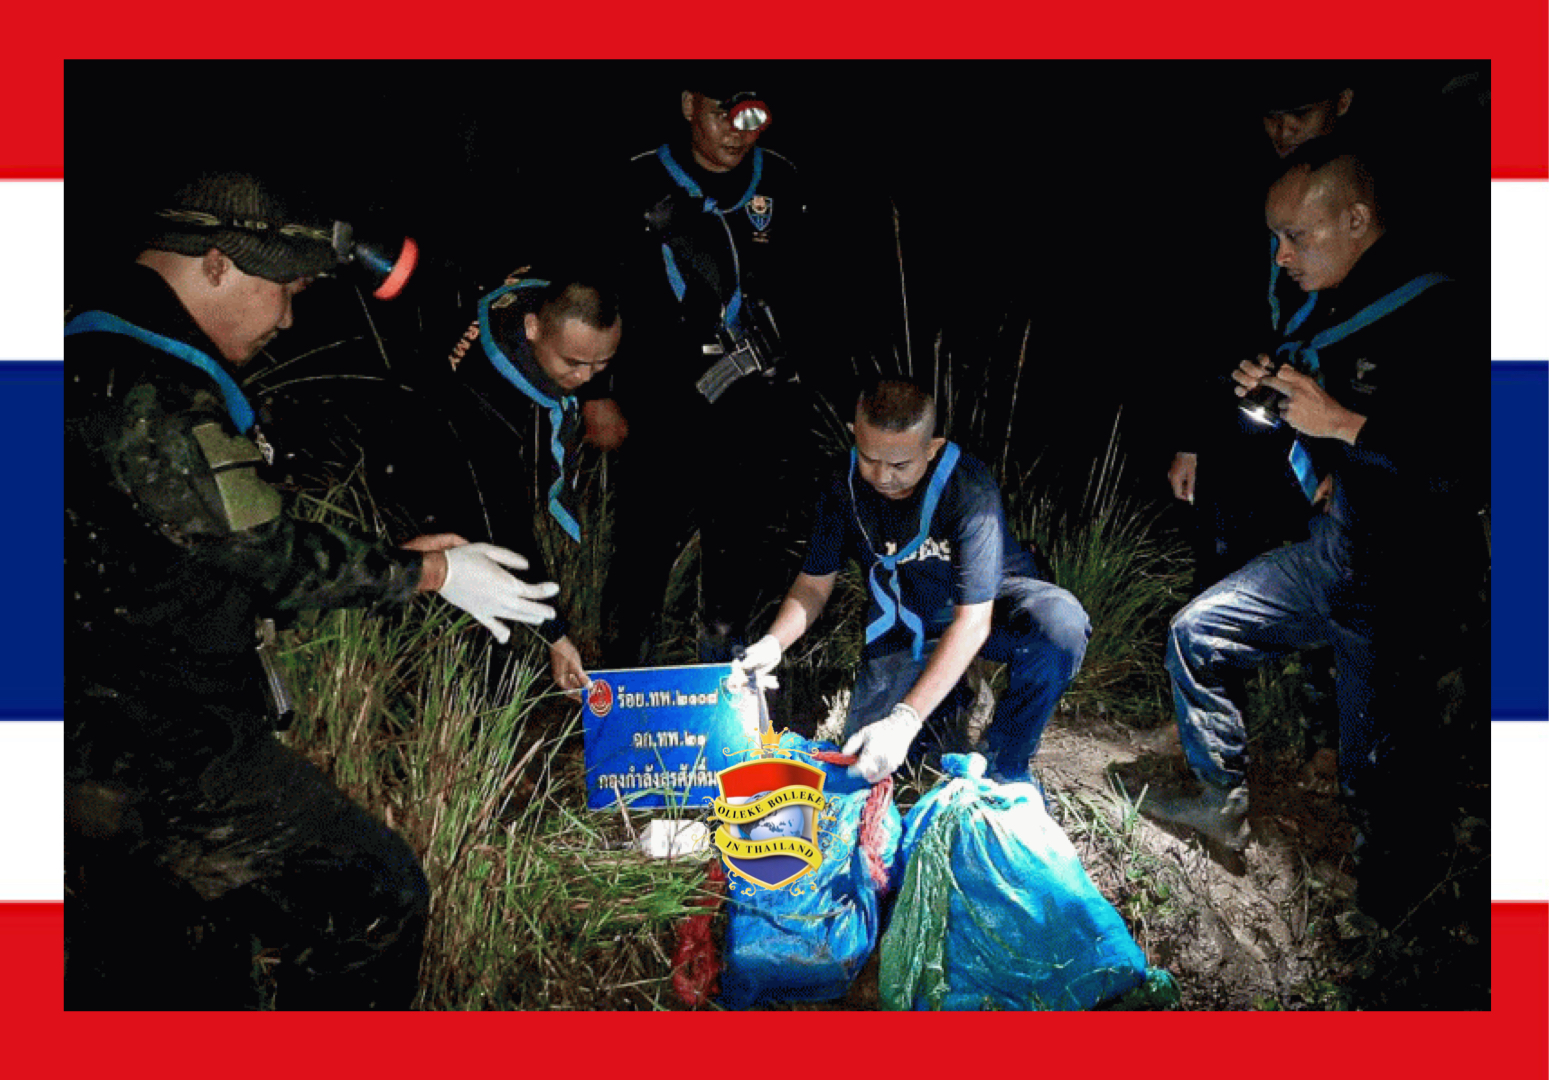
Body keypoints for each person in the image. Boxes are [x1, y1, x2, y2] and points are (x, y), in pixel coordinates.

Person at [64, 170, 560, 1010]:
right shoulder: (140, 383)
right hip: (146, 743)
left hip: (106, 726)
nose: (289, 318)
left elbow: (191, 549)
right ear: (218, 264)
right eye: (283, 290)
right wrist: (429, 573)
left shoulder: (99, 342)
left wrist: (399, 555)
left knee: (172, 968)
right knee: (373, 897)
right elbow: (260, 552)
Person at [1142, 143, 1485, 908]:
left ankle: (1388, 909)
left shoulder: (1439, 310)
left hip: (1406, 582)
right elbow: (1311, 419)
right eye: (1274, 237)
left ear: (1357, 219)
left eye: (1296, 236)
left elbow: (1467, 475)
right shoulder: (1322, 299)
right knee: (1197, 633)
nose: (1280, 255)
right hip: (1337, 550)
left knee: (1379, 766)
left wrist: (1344, 425)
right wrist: (1267, 393)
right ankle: (1218, 801)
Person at [737, 380, 1091, 785]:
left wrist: (905, 719)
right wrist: (772, 644)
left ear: (932, 446)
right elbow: (814, 585)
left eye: (901, 465)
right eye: (870, 459)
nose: (883, 477)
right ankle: (951, 702)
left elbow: (973, 622)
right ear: (855, 433)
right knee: (867, 767)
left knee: (1060, 622)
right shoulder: (841, 486)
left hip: (987, 609)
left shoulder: (968, 487)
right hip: (907, 622)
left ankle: (1007, 762)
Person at [602, 75, 825, 667]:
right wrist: (599, 395)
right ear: (687, 104)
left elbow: (808, 289)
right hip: (657, 398)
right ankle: (622, 685)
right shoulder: (638, 178)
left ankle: (723, 674)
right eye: (723, 112)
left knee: (741, 551)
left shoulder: (780, 180)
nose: (736, 129)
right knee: (642, 552)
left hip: (749, 400)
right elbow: (599, 292)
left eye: (749, 115)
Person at [1166, 66, 1360, 593]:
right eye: (1271, 117)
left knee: (1334, 561)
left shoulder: (1366, 191)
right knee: (1221, 557)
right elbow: (1205, 315)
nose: (1283, 131)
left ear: (1340, 103)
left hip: (1331, 408)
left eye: (1299, 114)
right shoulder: (1241, 188)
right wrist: (1191, 440)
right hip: (1242, 404)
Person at [439, 269, 623, 695]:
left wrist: (597, 395)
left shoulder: (547, 296)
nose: (586, 377)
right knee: (481, 583)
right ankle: (484, 704)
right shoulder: (483, 397)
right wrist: (556, 634)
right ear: (532, 327)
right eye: (574, 364)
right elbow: (506, 527)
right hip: (426, 444)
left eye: (602, 363)